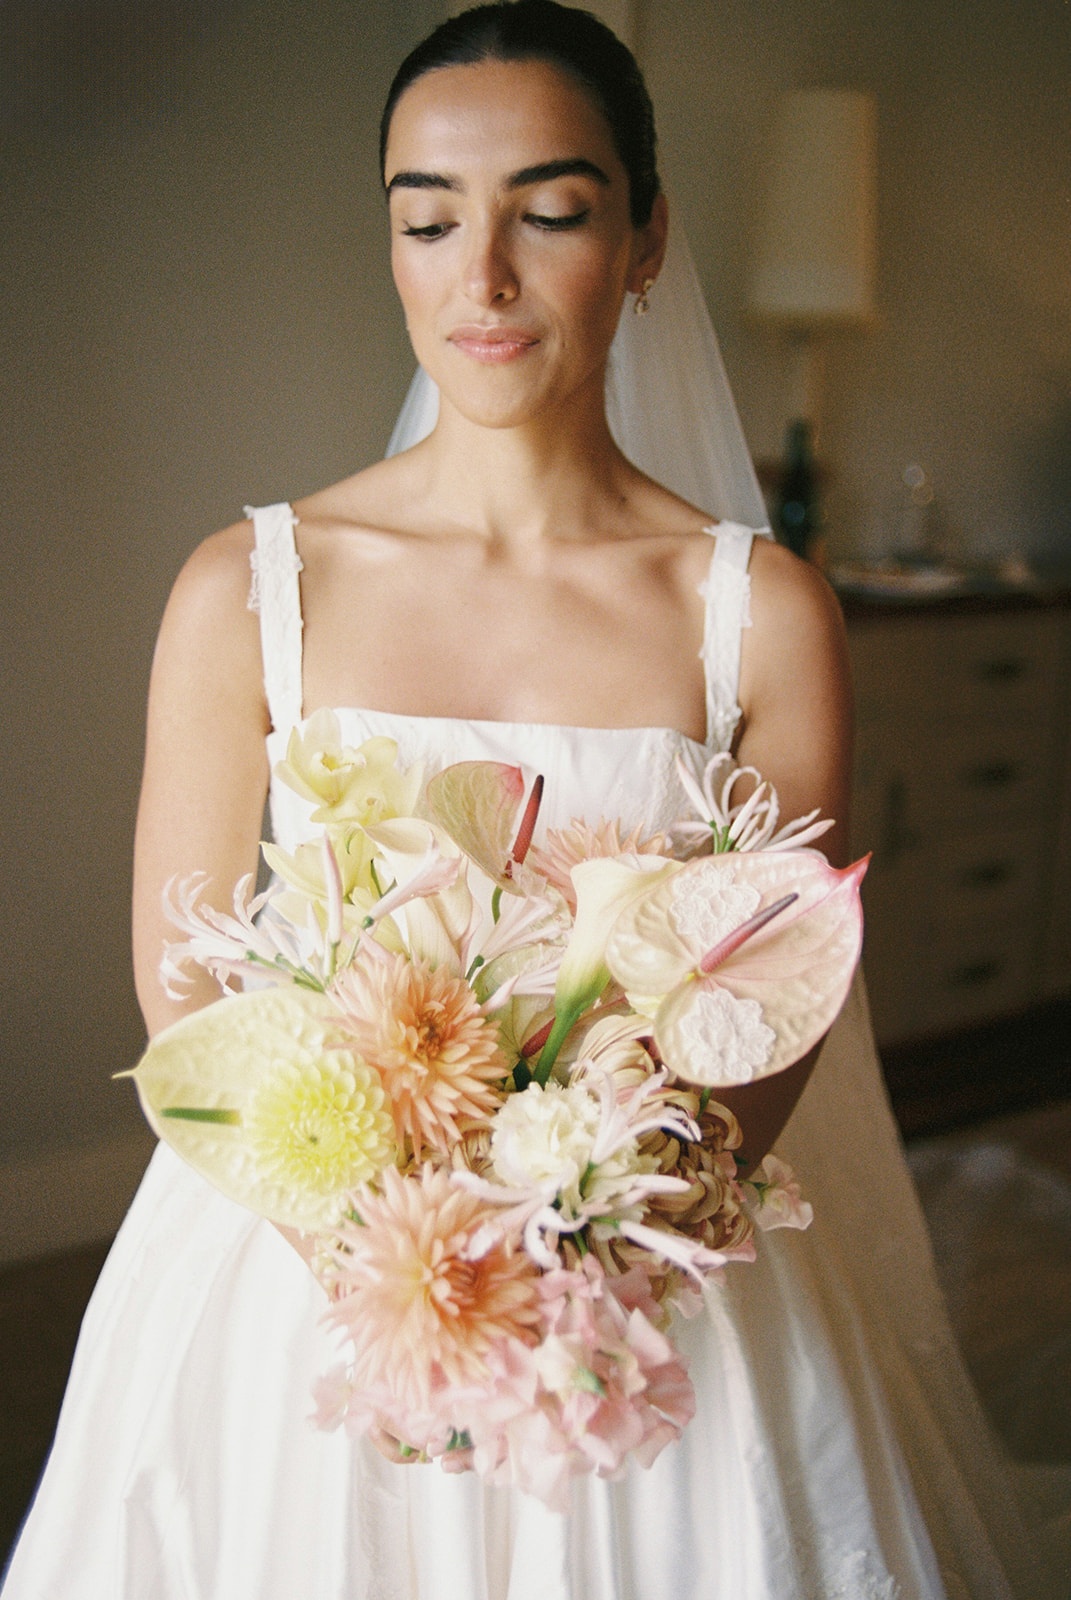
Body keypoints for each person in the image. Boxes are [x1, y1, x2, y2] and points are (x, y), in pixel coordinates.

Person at [3, 5, 1064, 1596]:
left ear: (644, 240)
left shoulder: (760, 614)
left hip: (648, 1271)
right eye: (428, 218)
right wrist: (385, 1259)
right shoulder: (247, 590)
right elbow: (186, 979)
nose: (478, 277)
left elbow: (775, 990)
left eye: (550, 213)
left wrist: (597, 1251)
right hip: (310, 1258)